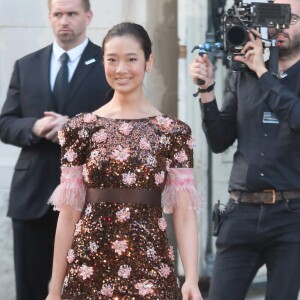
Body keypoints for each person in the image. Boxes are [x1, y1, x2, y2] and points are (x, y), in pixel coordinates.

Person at [45, 22, 203, 300]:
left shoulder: (174, 132)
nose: (121, 69)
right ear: (102, 62)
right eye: (112, 60)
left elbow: (184, 214)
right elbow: (68, 214)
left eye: (131, 59)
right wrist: (55, 289)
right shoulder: (80, 129)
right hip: (88, 268)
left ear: (148, 62)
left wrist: (191, 278)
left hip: (153, 269)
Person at [189, 0, 300, 299]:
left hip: (291, 216)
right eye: (274, 18)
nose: (280, 27)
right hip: (242, 210)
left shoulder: (259, 71)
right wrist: (207, 90)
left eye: (290, 18)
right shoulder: (242, 75)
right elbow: (219, 140)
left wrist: (264, 73)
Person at [0, 0, 109, 299]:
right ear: (49, 17)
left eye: (72, 14)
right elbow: (6, 123)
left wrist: (72, 127)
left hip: (89, 197)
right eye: (58, 14)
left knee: (84, 288)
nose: (64, 21)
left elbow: (122, 126)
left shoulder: (108, 63)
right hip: (32, 196)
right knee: (32, 289)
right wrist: (33, 127)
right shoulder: (27, 65)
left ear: (88, 16)